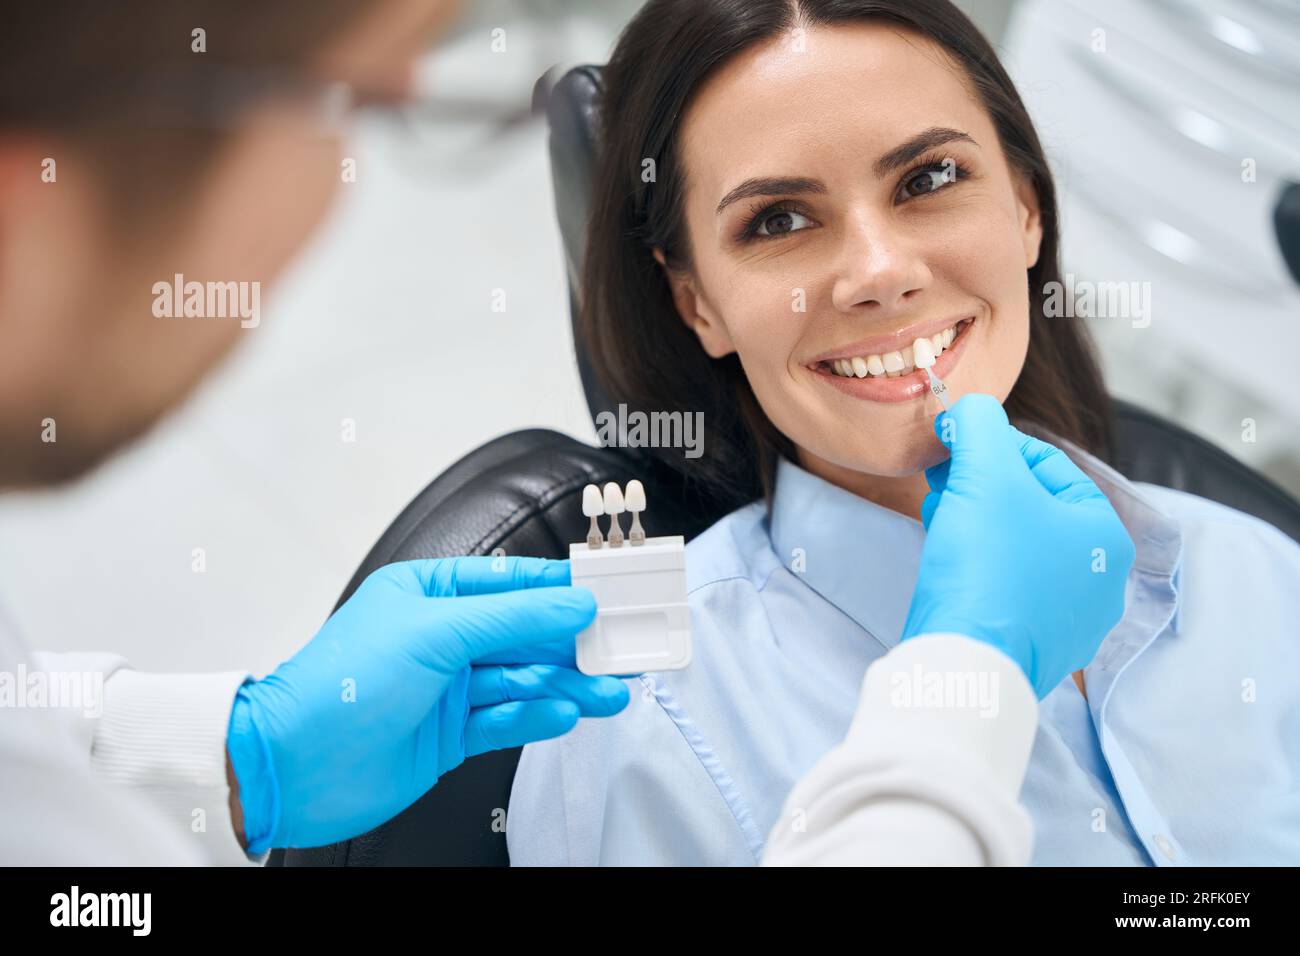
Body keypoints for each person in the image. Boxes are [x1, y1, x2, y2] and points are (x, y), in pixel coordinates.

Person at [505, 0, 1300, 867]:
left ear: (1026, 208)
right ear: (698, 304)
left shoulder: (1256, 573)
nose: (881, 273)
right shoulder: (637, 724)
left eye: (927, 179)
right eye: (778, 220)